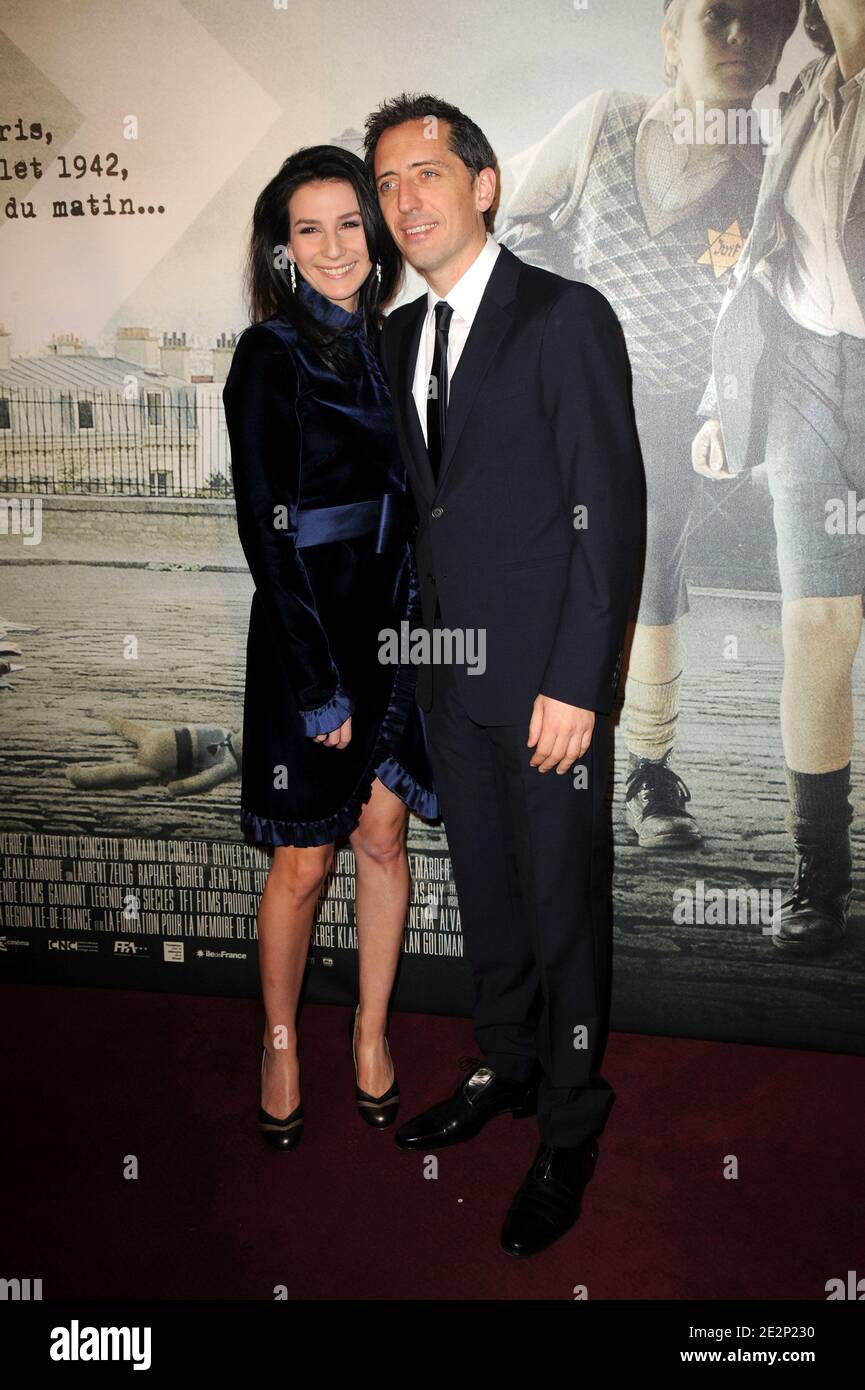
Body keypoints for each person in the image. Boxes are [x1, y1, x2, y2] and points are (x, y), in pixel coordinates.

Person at [366, 94, 644, 1256]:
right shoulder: (391, 338)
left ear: (484, 185)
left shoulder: (563, 317)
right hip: (452, 686)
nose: (406, 198)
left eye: (428, 172)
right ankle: (509, 1066)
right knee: (486, 896)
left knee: (564, 915)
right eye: (388, 183)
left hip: (547, 696)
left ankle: (571, 1120)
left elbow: (613, 515)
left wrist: (578, 682)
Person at [497, 0, 800, 849]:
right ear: (670, 38)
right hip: (569, 399)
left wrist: (725, 403)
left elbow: (765, 309)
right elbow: (514, 222)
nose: (743, 38)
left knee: (649, 575)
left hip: (671, 411)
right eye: (718, 19)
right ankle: (524, 754)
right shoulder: (602, 122)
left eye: (765, 24)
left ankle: (648, 771)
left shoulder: (769, 166)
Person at [222, 145, 438, 1151]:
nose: (335, 245)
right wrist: (315, 679)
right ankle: (278, 1041)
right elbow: (265, 530)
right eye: (309, 228)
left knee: (383, 837)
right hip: (310, 630)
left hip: (398, 622)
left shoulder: (404, 343)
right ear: (281, 247)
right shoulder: (268, 353)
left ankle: (369, 1028)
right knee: (303, 864)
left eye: (350, 221)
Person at [691, 0, 865, 955]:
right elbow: (764, 259)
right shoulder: (801, 95)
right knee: (814, 625)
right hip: (802, 375)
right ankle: (820, 882)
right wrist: (726, 401)